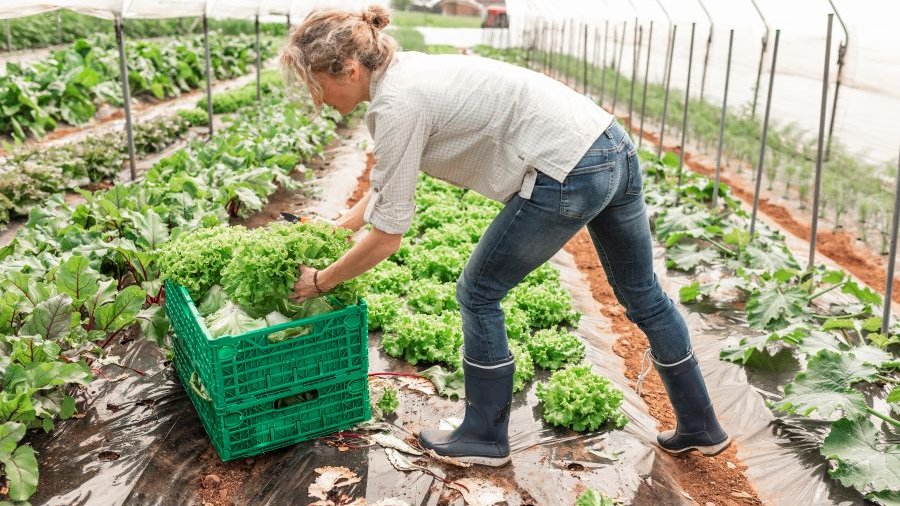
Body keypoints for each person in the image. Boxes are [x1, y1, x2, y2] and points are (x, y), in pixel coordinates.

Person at [283, 5, 731, 467]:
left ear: (349, 69)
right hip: (609, 145)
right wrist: (337, 228)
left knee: (477, 292)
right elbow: (387, 183)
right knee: (644, 295)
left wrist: (320, 280)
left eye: (316, 84)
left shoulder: (398, 104)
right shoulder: (406, 73)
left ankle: (484, 436)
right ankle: (701, 424)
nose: (317, 98)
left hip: (568, 170)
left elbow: (388, 236)